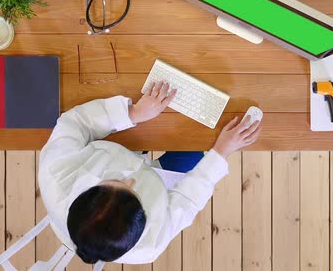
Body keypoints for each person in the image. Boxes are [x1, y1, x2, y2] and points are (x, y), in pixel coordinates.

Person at [38, 81, 261, 270]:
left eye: (115, 181)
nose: (131, 179)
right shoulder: (149, 247)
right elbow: (187, 200)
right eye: (133, 192)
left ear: (86, 192)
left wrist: (133, 113)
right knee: (199, 146)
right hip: (156, 183)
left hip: (114, 147)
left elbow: (75, 123)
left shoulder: (56, 171)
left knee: (150, 123)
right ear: (143, 221)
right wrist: (222, 151)